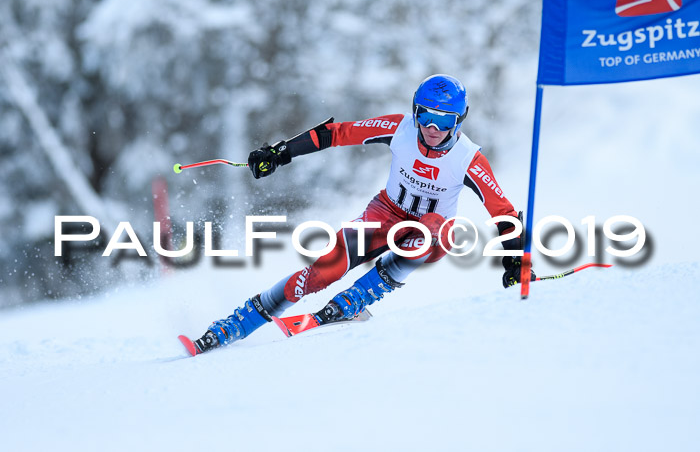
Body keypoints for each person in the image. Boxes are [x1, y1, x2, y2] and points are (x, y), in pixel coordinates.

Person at [188, 74, 535, 354]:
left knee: (434, 228)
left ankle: (359, 298)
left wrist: (516, 263)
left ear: (459, 121)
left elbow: (503, 213)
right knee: (323, 271)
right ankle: (238, 322)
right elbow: (337, 134)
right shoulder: (400, 129)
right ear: (415, 112)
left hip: (430, 233)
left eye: (444, 120)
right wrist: (281, 153)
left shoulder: (468, 159)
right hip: (384, 214)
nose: (432, 127)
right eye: (425, 116)